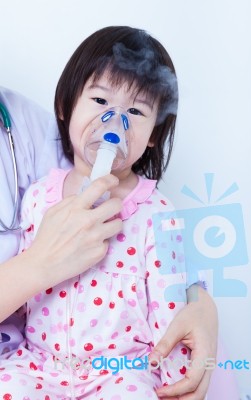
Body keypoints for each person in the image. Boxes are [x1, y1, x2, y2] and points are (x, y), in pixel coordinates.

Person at [0, 30, 219, 399]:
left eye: (135, 111)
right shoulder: (39, 197)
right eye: (100, 99)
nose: (114, 121)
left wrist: (196, 329)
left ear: (153, 134)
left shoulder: (157, 212)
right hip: (38, 363)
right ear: (66, 108)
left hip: (120, 370)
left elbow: (172, 307)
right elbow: (21, 308)